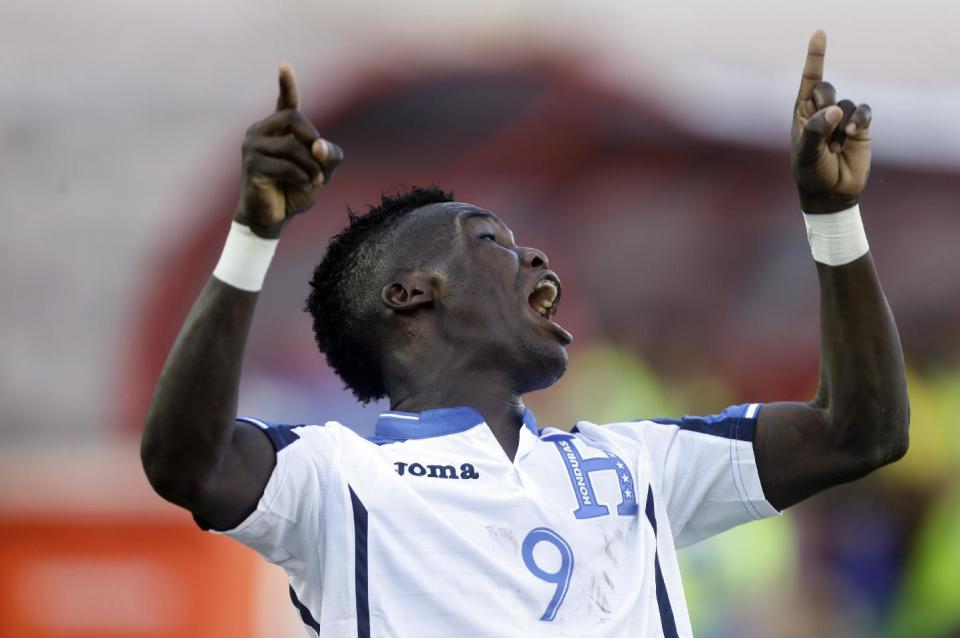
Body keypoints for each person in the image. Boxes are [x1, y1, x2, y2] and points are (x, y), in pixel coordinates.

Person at [140, 30, 909, 637]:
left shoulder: (636, 462)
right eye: (490, 240)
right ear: (409, 295)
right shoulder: (339, 482)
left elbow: (861, 431)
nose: (534, 254)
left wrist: (832, 216)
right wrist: (252, 235)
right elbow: (184, 460)